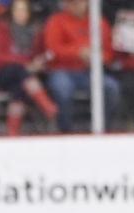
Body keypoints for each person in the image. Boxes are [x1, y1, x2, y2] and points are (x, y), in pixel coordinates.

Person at [44, 0, 120, 131]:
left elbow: (109, 51)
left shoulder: (98, 22)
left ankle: (104, 128)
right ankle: (65, 131)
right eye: (72, 3)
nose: (76, 6)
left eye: (79, 2)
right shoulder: (56, 21)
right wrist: (78, 53)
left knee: (111, 88)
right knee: (62, 89)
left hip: (89, 71)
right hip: (62, 70)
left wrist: (100, 57)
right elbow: (53, 49)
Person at [0, 0, 57, 134]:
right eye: (17, 10)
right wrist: (24, 63)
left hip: (26, 76)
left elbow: (41, 54)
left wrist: (38, 63)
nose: (20, 13)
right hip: (3, 73)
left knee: (19, 87)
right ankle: (44, 103)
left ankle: (13, 129)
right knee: (19, 70)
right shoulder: (1, 29)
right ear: (11, 12)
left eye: (23, 10)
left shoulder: (36, 32)